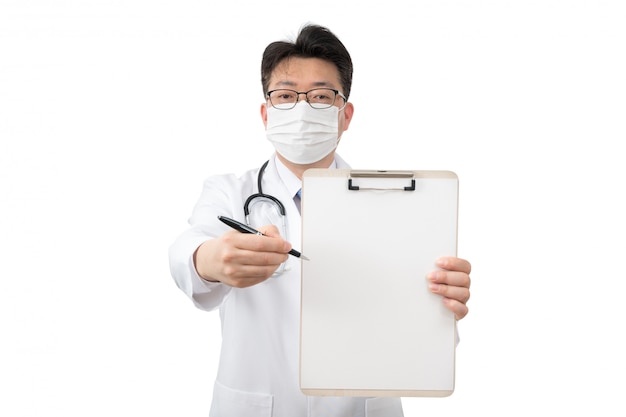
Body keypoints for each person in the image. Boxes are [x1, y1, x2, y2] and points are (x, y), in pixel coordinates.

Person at [169, 23, 471, 417]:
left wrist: (441, 305)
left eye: (321, 96)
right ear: (266, 113)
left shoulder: (399, 205)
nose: (302, 107)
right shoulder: (229, 191)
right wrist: (211, 260)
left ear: (345, 116)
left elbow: (419, 339)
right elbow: (187, 254)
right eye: (286, 95)